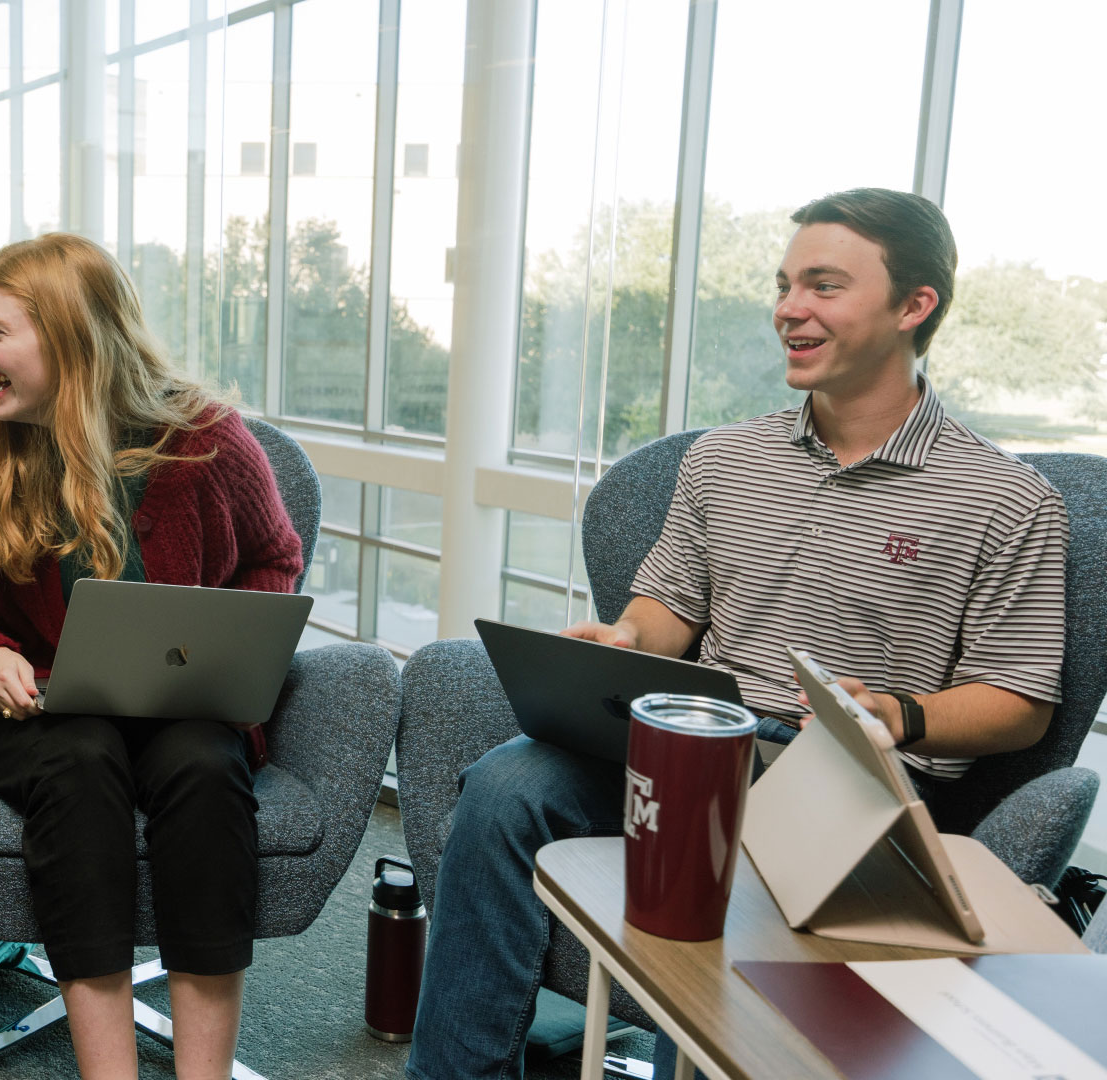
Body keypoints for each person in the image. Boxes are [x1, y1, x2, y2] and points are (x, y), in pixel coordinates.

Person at [407, 188, 1068, 1080]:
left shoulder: (1004, 500)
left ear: (916, 307)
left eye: (824, 285)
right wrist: (623, 639)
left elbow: (1020, 703)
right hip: (702, 754)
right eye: (785, 284)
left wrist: (894, 715)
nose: (789, 308)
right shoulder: (724, 460)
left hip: (857, 793)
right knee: (506, 784)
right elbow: (665, 614)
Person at [0, 232, 303, 1080]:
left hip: (172, 704)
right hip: (22, 705)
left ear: (71, 339)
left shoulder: (211, 442)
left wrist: (223, 653)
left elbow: (276, 562)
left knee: (203, 766)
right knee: (80, 760)